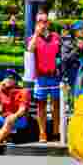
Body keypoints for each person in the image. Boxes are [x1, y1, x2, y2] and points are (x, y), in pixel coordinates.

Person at [27, 12, 62, 143]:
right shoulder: (33, 38)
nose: (42, 23)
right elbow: (29, 50)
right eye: (40, 21)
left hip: (54, 76)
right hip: (41, 77)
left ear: (48, 23)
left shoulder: (55, 37)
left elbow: (60, 53)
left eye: (45, 21)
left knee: (56, 105)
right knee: (41, 106)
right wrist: (36, 34)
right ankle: (42, 133)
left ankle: (56, 132)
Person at [0, 70, 30, 155]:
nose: (6, 80)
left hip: (19, 119)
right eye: (5, 78)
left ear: (15, 80)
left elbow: (22, 110)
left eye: (10, 78)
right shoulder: (2, 91)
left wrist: (14, 116)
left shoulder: (23, 91)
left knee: (9, 119)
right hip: (4, 118)